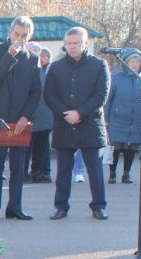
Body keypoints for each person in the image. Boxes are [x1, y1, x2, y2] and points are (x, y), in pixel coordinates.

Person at [45, 26, 110, 220]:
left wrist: (80, 113)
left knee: (95, 170)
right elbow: (49, 95)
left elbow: (101, 95)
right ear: (65, 45)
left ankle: (98, 206)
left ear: (85, 44)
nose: (72, 47)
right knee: (63, 170)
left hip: (90, 124)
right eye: (69, 43)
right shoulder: (56, 67)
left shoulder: (99, 65)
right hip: (64, 124)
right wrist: (66, 113)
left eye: (76, 43)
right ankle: (61, 207)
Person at [0, 16, 41, 220]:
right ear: (10, 32)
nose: (20, 39)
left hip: (20, 123)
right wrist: (8, 56)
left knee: (18, 169)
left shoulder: (33, 59)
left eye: (24, 36)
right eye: (17, 34)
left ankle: (14, 207)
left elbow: (35, 92)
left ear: (30, 36)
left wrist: (26, 116)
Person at [104, 48, 141, 185]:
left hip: (136, 120)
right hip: (117, 118)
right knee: (116, 147)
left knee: (132, 147)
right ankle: (112, 173)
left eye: (137, 62)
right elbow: (108, 100)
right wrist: (106, 119)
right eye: (132, 61)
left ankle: (126, 174)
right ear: (126, 62)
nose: (135, 64)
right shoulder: (116, 78)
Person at [27, 47, 53, 183]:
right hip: (32, 116)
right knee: (30, 147)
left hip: (42, 116)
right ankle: (35, 172)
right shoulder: (35, 71)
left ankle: (39, 172)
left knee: (41, 147)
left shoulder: (46, 72)